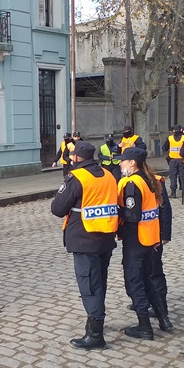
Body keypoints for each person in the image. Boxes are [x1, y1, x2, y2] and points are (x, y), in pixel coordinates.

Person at [50, 141, 118, 350]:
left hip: (84, 238)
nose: (70, 158)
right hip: (106, 236)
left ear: (77, 158)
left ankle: (96, 334)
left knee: (89, 286)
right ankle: (95, 320)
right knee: (100, 282)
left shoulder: (76, 177)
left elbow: (58, 208)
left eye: (72, 155)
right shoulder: (108, 175)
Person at [117, 146, 172, 340]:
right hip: (150, 238)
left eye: (123, 161)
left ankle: (145, 327)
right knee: (147, 279)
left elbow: (133, 215)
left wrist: (116, 209)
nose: (120, 164)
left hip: (136, 239)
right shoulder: (150, 180)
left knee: (134, 282)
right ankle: (163, 319)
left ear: (132, 163)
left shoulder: (132, 183)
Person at [161, 125, 184, 198]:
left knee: (173, 176)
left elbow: (164, 148)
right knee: (182, 176)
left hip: (172, 160)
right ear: (181, 130)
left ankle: (173, 193)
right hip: (182, 160)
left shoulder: (170, 138)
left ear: (174, 131)